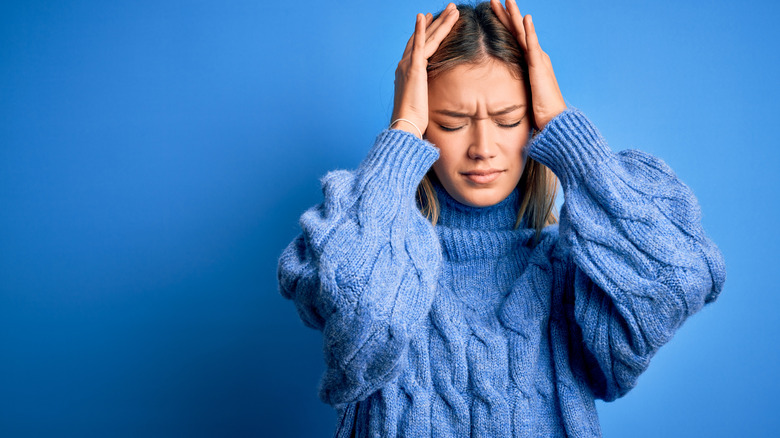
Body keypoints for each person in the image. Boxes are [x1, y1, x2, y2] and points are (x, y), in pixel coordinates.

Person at [277, 1, 726, 436]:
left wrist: (569, 136)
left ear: (533, 124)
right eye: (451, 123)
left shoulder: (570, 269)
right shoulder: (369, 249)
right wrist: (402, 132)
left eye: (509, 120)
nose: (483, 148)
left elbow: (680, 277)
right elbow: (364, 317)